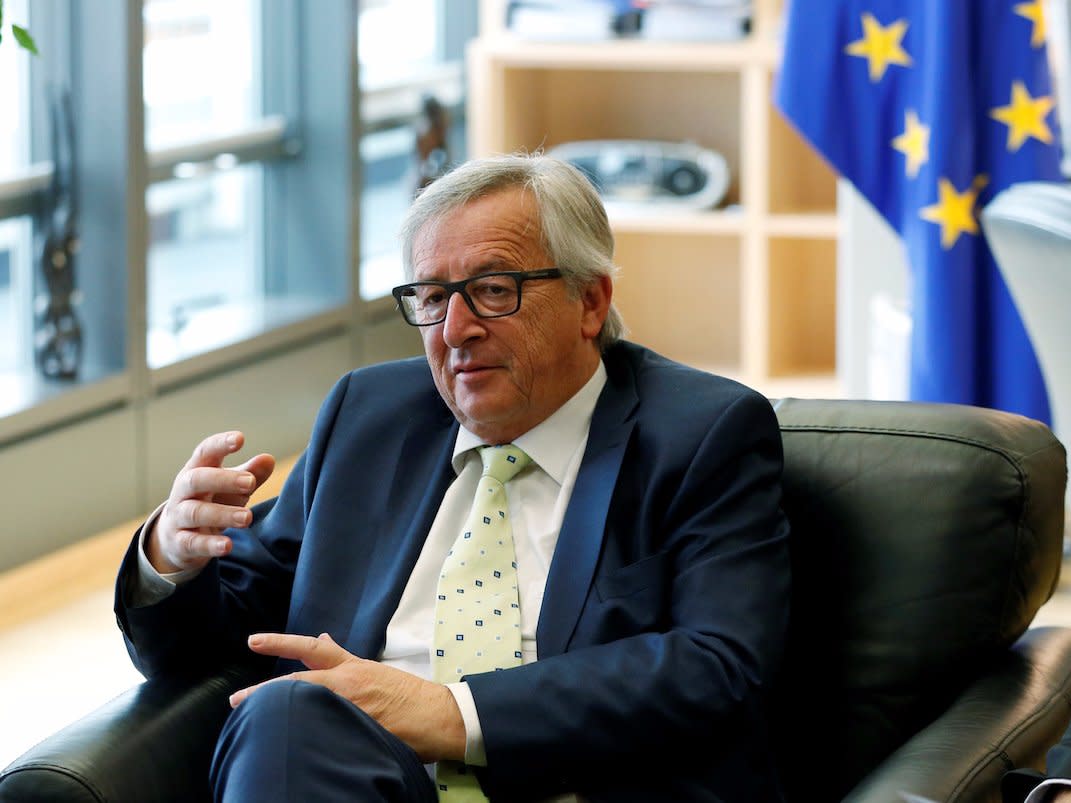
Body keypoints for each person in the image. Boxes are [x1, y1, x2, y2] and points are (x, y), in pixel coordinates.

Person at [115, 153, 792, 802]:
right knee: (293, 711)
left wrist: (454, 712)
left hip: (573, 783)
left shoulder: (703, 433)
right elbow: (239, 623)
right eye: (432, 297)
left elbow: (719, 663)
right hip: (360, 780)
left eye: (493, 290)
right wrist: (171, 557)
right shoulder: (369, 417)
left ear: (590, 301)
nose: (455, 329)